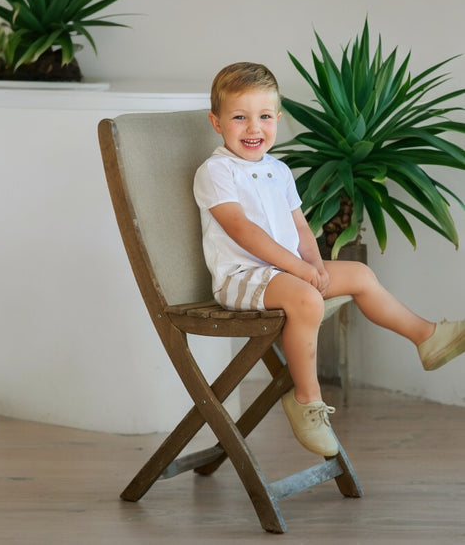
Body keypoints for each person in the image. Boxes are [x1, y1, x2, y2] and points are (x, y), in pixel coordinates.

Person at [193, 62, 465, 457]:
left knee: (357, 272)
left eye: (264, 117)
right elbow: (242, 232)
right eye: (240, 117)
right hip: (242, 276)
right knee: (307, 298)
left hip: (285, 272)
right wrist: (299, 271)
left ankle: (426, 336)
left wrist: (315, 265)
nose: (254, 128)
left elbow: (301, 227)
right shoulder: (216, 171)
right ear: (216, 123)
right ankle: (306, 400)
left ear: (278, 119)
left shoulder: (279, 170)